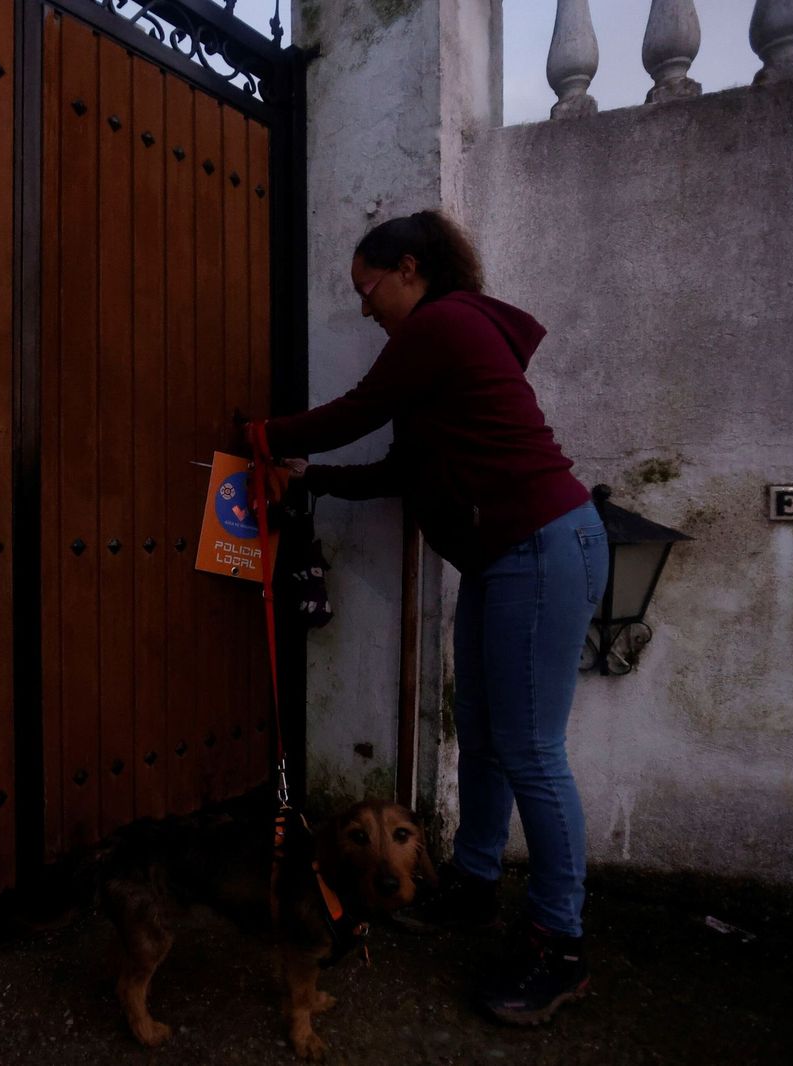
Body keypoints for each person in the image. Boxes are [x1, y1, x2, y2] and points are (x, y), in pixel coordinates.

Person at [248, 210, 608, 1026]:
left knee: (530, 751)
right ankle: (475, 886)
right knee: (480, 734)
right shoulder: (440, 347)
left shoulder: (444, 324)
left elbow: (356, 409)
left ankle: (561, 946)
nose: (365, 307)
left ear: (408, 269)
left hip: (542, 546)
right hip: (505, 557)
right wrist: (313, 481)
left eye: (366, 288)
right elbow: (401, 468)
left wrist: (260, 437)